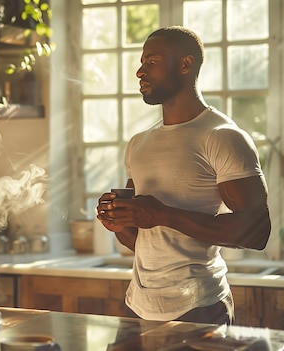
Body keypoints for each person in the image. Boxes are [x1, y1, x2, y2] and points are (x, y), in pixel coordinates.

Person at [96, 26, 271, 325]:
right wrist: (118, 221)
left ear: (185, 65)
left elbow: (257, 232)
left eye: (151, 62)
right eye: (141, 62)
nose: (140, 72)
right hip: (138, 305)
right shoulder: (139, 143)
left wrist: (163, 215)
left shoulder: (221, 136)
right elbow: (144, 239)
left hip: (199, 306)